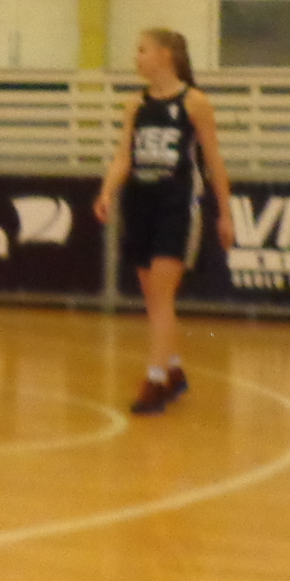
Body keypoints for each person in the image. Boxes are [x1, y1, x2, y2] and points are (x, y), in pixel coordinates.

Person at [95, 28, 234, 415]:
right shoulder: (135, 104)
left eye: (143, 50)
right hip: (140, 203)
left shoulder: (194, 102)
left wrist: (225, 212)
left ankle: (155, 379)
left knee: (161, 295)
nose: (136, 57)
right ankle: (173, 370)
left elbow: (213, 161)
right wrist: (107, 191)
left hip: (177, 205)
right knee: (152, 298)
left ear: (165, 55)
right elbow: (124, 156)